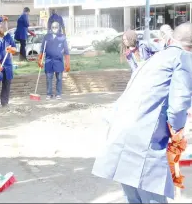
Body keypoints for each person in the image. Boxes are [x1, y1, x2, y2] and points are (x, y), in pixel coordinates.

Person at [92, 22, 192, 203]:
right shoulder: (183, 58)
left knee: (134, 198)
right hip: (144, 141)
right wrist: (177, 133)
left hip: (121, 134)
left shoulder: (157, 57)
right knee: (151, 196)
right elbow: (178, 106)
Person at [38, 21, 70, 100]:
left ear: (59, 28)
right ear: (51, 28)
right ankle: (49, 94)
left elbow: (66, 51)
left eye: (56, 27)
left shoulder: (62, 37)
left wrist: (67, 63)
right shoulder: (46, 37)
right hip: (49, 61)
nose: (54, 29)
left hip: (58, 61)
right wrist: (40, 60)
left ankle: (58, 94)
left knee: (59, 78)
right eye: (53, 27)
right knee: (49, 78)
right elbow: (42, 49)